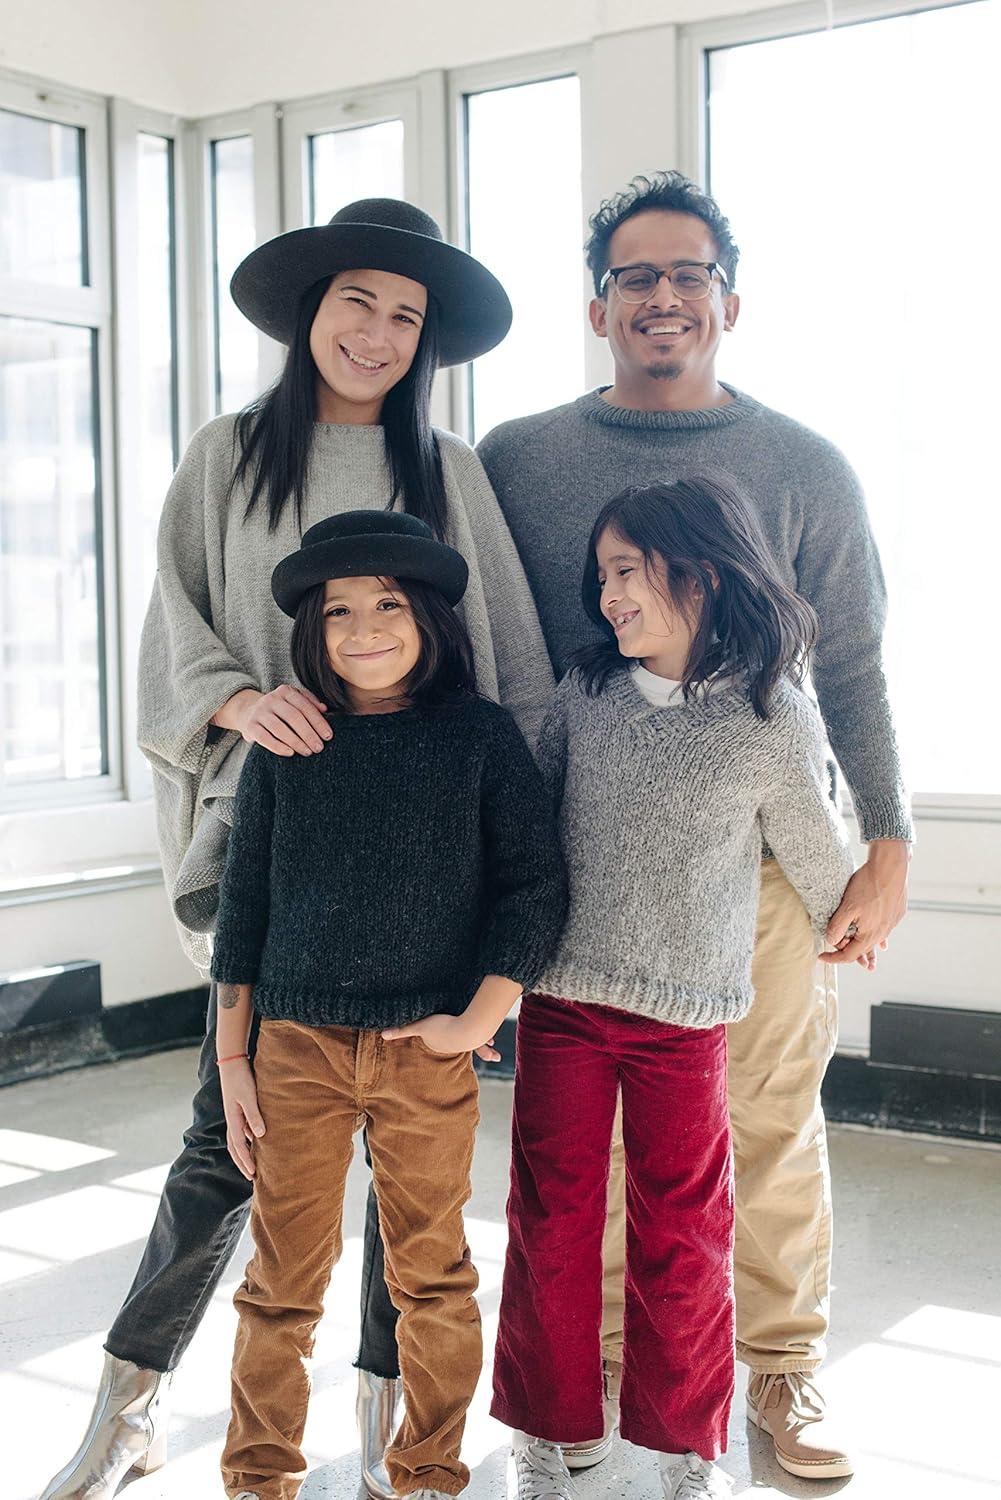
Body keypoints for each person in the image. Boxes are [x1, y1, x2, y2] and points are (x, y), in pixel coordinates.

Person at [40, 199, 556, 1500]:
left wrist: (504, 886)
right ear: (310, 308)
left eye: (406, 315)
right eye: (355, 301)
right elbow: (172, 624)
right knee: (230, 1141)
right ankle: (130, 1407)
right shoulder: (228, 455)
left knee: (412, 1182)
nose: (377, 333)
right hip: (268, 842)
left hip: (423, 870)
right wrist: (237, 701)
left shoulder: (447, 468)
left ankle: (391, 1421)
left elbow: (505, 653)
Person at [476, 171, 912, 1481]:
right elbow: (490, 652)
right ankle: (603, 1377)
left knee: (761, 1120)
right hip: (581, 856)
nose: (661, 296)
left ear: (728, 299)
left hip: (758, 853)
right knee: (585, 1160)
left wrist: (885, 842)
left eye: (686, 274)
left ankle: (780, 1367)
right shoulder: (518, 458)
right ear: (596, 307)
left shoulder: (803, 465)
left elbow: (852, 668)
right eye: (635, 277)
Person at [491, 476, 857, 1500]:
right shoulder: (585, 695)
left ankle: (683, 1449)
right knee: (550, 1219)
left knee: (685, 1232)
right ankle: (546, 1429)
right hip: (564, 1004)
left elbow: (817, 857)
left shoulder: (771, 716)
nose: (606, 595)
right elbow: (530, 831)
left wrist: (851, 916)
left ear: (699, 573)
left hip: (685, 1018)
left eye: (625, 572)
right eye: (601, 575)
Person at [213, 509, 566, 1500]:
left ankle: (428, 1474)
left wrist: (479, 1019)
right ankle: (258, 1479)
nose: (363, 628)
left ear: (427, 618)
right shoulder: (288, 743)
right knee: (280, 1284)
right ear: (311, 630)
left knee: (432, 1279)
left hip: (425, 1053)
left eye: (387, 605)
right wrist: (232, 1060)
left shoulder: (478, 737)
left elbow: (535, 887)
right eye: (338, 611)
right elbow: (243, 908)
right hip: (295, 1050)